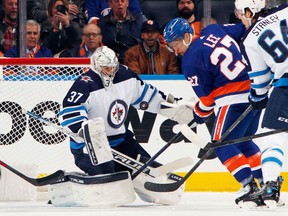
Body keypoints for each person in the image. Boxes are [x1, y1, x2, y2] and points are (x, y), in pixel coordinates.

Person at [58, 46, 194, 205]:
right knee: (112, 188)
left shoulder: (125, 76)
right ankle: (69, 187)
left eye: (112, 67)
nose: (110, 71)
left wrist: (174, 109)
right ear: (95, 66)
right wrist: (83, 130)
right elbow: (69, 112)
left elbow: (148, 97)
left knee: (152, 176)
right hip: (90, 148)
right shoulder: (84, 84)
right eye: (105, 68)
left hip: (122, 143)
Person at [163, 18, 264, 207]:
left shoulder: (190, 60)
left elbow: (207, 102)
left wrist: (198, 114)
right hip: (255, 92)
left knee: (220, 144)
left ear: (187, 36)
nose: (175, 50)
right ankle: (266, 186)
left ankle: (249, 187)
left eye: (176, 44)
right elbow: (245, 29)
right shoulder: (215, 30)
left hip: (233, 99)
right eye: (170, 47)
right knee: (243, 142)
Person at [234, 0, 288, 208]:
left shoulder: (250, 39)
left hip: (286, 85)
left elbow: (260, 83)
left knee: (273, 135)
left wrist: (256, 98)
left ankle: (270, 186)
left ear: (250, 10)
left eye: (241, 11)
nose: (240, 16)